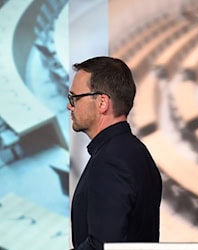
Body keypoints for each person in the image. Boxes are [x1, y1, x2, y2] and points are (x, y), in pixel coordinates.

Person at [68, 56, 162, 249]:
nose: (70, 105)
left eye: (75, 98)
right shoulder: (134, 151)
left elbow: (102, 245)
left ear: (102, 103)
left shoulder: (111, 160)